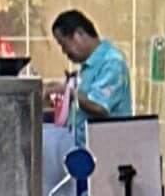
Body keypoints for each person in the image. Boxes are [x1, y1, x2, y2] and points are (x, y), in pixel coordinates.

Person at [51, 9, 131, 147]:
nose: (64, 52)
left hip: (107, 151)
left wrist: (68, 91)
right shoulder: (89, 67)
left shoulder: (112, 63)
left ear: (79, 34)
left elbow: (99, 105)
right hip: (86, 152)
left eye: (64, 45)